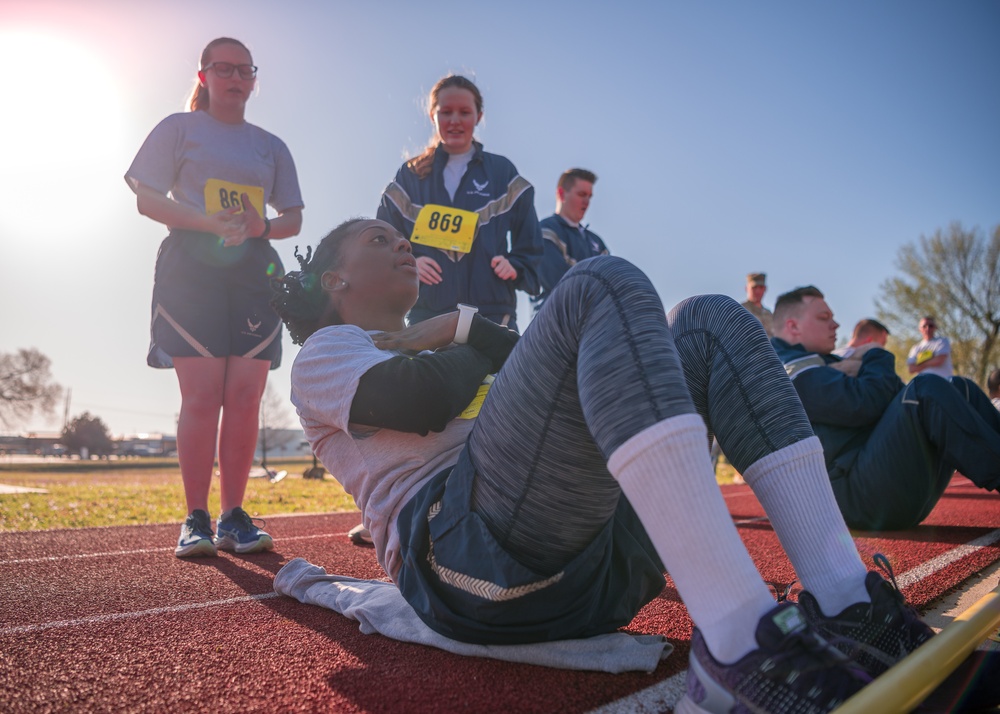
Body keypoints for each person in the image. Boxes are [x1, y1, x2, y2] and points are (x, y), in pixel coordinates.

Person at [271, 218, 938, 713]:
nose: (402, 244)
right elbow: (421, 397)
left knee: (710, 320)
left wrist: (465, 329)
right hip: (464, 558)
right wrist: (463, 331)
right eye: (379, 240)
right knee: (599, 281)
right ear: (335, 279)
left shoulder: (424, 338)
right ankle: (739, 649)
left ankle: (849, 605)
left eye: (401, 237)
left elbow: (541, 350)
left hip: (594, 563)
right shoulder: (330, 350)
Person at [126, 37, 303, 558]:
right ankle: (196, 518)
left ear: (253, 79)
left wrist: (261, 225)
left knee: (245, 397)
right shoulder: (177, 129)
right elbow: (145, 198)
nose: (234, 77)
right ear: (203, 76)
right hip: (192, 266)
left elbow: (292, 218)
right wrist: (206, 221)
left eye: (243, 70)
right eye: (222, 68)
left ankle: (234, 516)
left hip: (255, 269)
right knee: (202, 396)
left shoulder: (270, 145)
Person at [771, 286, 1000, 531]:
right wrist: (875, 355)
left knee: (959, 387)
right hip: (854, 498)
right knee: (925, 388)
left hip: (874, 484)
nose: (836, 324)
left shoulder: (822, 362)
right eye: (824, 318)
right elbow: (867, 404)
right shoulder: (791, 370)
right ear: (793, 327)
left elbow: (891, 396)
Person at [377, 75, 542, 333]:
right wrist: (410, 261)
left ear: (479, 116)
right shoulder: (409, 176)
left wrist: (516, 266)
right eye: (446, 112)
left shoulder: (503, 172)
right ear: (433, 115)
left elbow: (531, 244)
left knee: (498, 376)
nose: (455, 120)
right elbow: (381, 237)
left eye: (465, 112)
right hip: (426, 318)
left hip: (495, 317)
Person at [529, 168, 609, 315]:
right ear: (561, 193)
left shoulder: (596, 242)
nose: (587, 202)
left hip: (591, 329)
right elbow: (560, 284)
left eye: (590, 197)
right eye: (581, 194)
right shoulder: (546, 231)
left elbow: (611, 285)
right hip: (553, 326)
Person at [741, 273, 774, 337]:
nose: (758, 291)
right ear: (747, 288)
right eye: (754, 287)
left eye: (761, 287)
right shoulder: (741, 310)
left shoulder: (769, 314)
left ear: (765, 289)